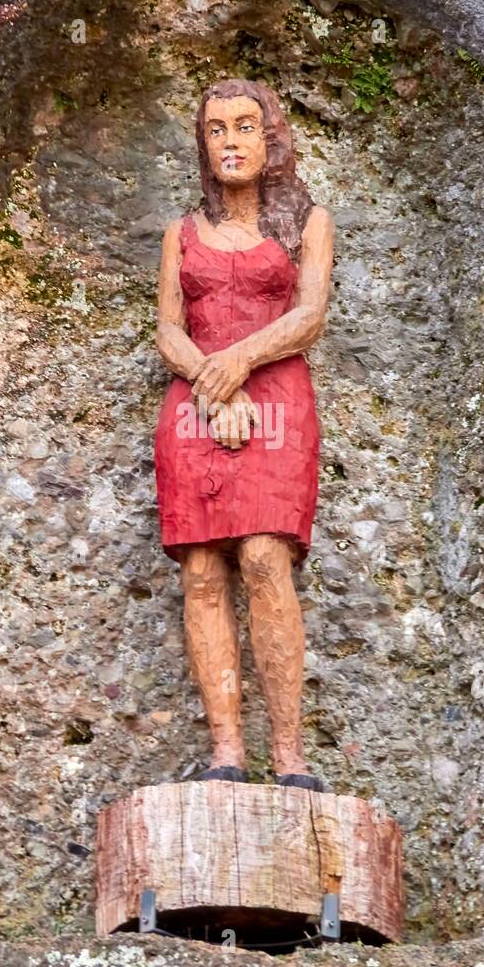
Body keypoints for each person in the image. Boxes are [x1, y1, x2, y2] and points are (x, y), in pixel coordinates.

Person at [154, 78, 334, 790]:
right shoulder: (181, 231)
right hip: (194, 400)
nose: (231, 142)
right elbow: (168, 326)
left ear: (271, 139)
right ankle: (226, 753)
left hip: (276, 398)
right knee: (201, 572)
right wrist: (209, 378)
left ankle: (289, 757)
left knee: (264, 558)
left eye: (244, 127)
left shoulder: (307, 222)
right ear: (204, 145)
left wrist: (238, 363)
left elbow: (311, 315)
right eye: (217, 130)